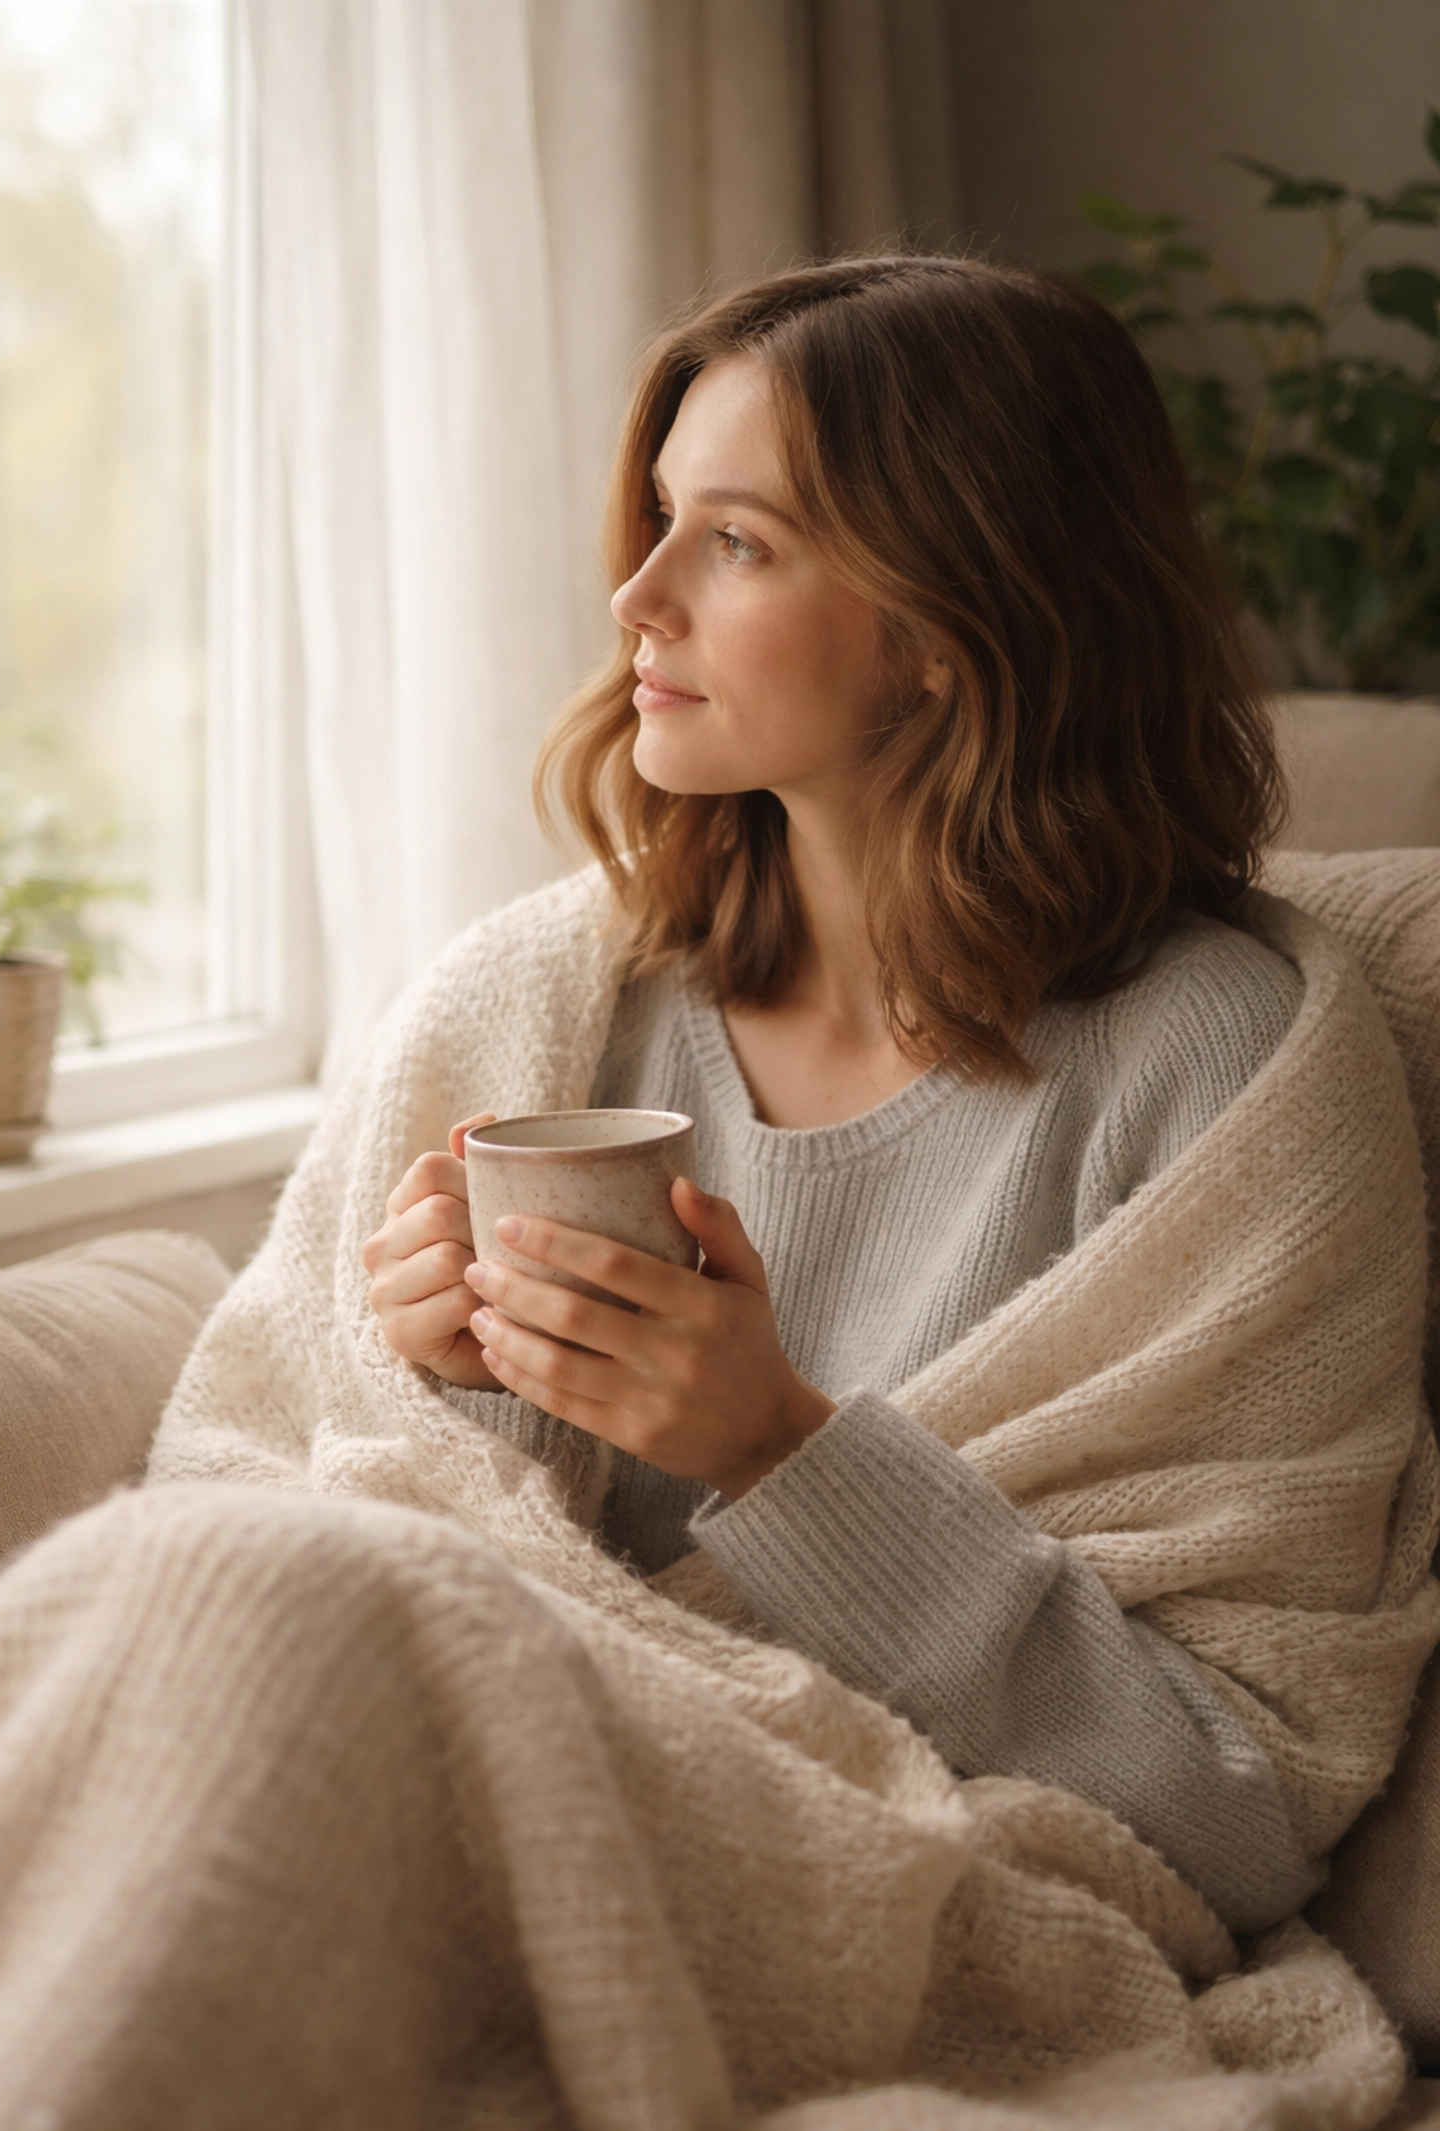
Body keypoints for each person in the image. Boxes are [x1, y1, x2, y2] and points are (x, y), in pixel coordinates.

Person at [362, 253, 1325, 1931]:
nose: (637, 596)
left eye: (735, 543)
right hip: (471, 1819)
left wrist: (779, 1449)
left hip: (848, 1892)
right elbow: (273, 1511)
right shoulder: (544, 1008)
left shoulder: (1218, 1073)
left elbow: (1236, 1813)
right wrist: (478, 1387)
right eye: (661, 518)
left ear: (960, 625)